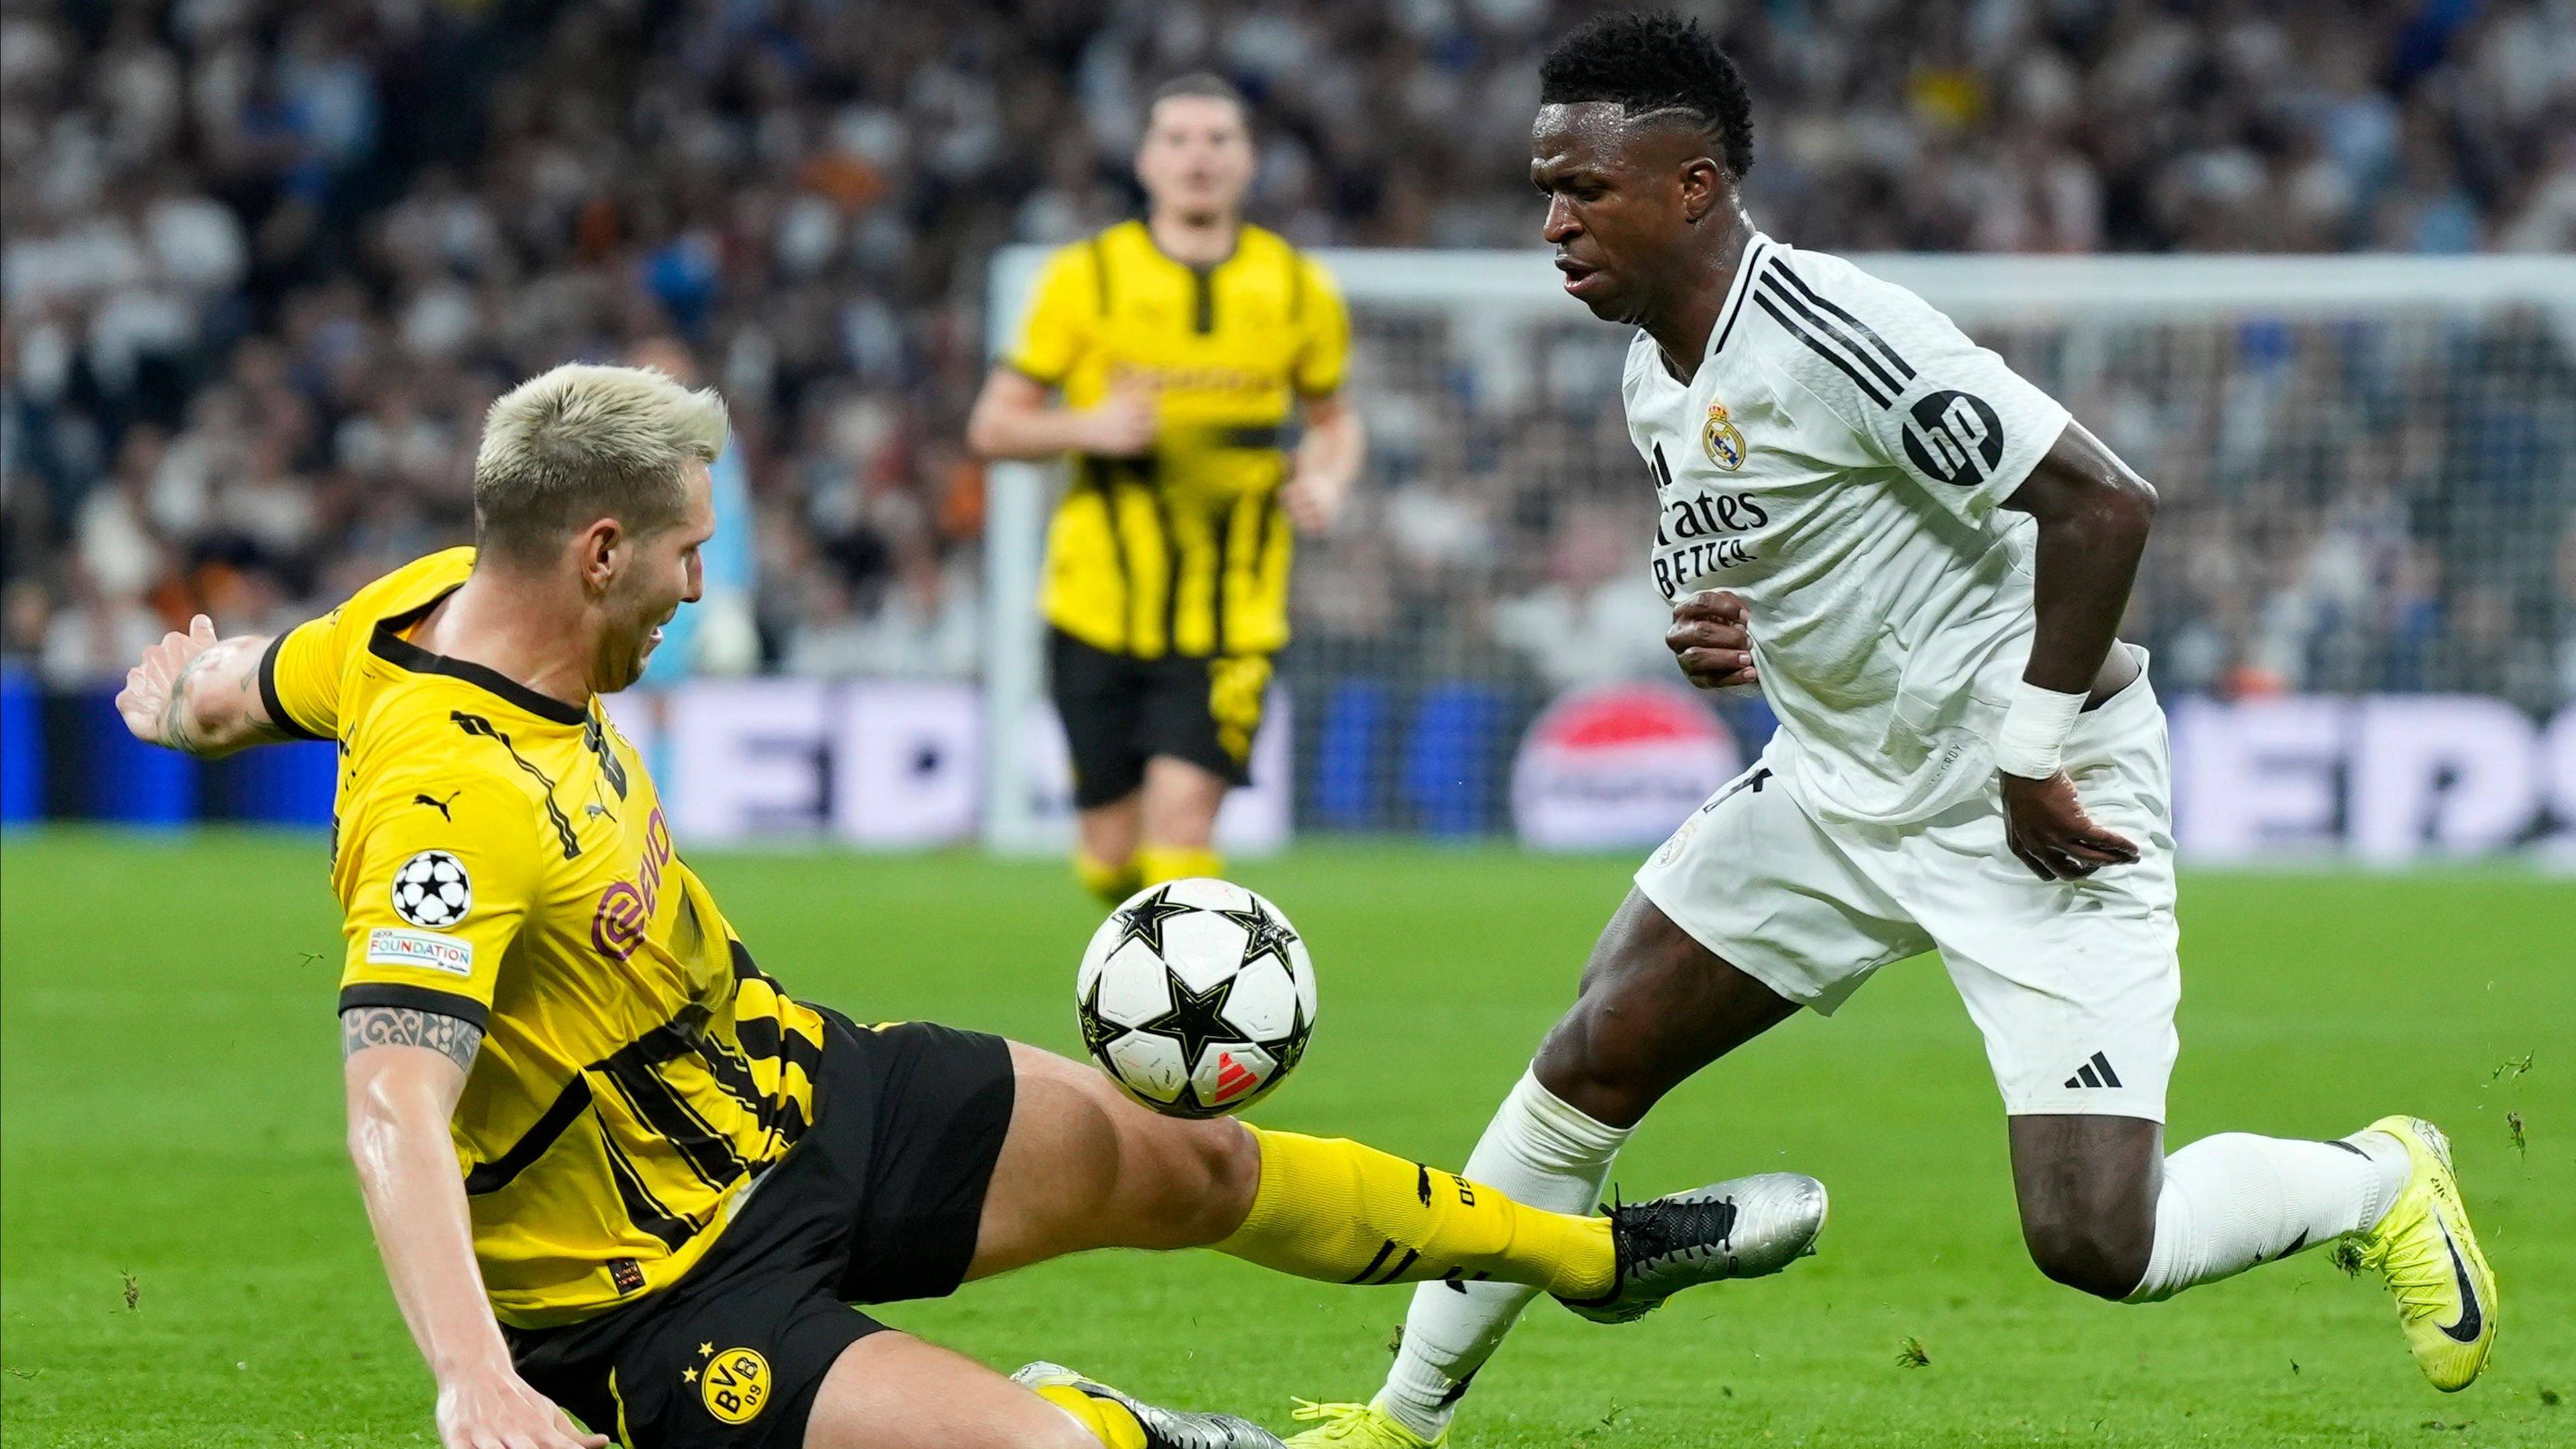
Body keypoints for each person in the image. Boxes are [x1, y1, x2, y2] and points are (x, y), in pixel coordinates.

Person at [114, 362, 1816, 1449]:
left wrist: (182, 695)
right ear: (600, 552)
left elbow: (258, 682)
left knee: (1199, 1166)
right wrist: (473, 1378)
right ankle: (1126, 1427)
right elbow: (392, 1105)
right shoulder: (446, 805)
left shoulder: (418, 603)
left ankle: (1595, 1254)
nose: (704, 585)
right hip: (653, 1295)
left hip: (797, 1090)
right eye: (690, 552)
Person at [1285, 15, 2499, 1447]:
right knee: (1594, 1053)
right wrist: (1721, 629)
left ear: (1693, 186)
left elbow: (2106, 507)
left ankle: (2380, 1178)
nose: (1554, 224)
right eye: (1546, 191)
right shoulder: (1652, 372)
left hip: (2041, 797)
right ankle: (1400, 1420)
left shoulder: (1834, 336)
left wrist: (2030, 753)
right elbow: (1782, 553)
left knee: (2097, 1239)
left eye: (1585, 191)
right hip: (1838, 787)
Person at [967, 74, 1365, 906]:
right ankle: (1143, 950)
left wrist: (1327, 479)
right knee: (1109, 856)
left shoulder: (1297, 288)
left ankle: (1189, 988)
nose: (1198, 158)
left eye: (1218, 139)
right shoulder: (1086, 280)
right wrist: (1088, 426)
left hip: (1233, 613)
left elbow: (1335, 422)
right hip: (1095, 606)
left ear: (1249, 161)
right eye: (1178, 139)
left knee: (1182, 826)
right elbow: (993, 427)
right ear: (1146, 161)